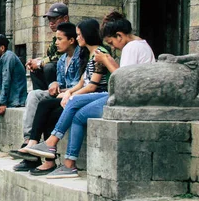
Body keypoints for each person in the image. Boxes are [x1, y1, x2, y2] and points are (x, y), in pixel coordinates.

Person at [29, 11, 156, 179]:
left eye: (112, 42)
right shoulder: (140, 43)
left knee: (73, 103)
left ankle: (52, 144)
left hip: (128, 99)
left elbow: (123, 81)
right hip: (126, 96)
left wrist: (106, 60)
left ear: (119, 35)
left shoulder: (131, 47)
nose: (112, 47)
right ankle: (68, 163)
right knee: (79, 115)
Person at [25, 18, 115, 177]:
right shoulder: (90, 53)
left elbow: (93, 85)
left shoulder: (100, 53)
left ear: (87, 35)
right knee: (48, 108)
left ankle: (48, 145)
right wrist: (69, 92)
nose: (78, 37)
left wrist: (72, 95)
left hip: (96, 95)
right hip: (87, 94)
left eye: (80, 35)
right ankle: (46, 152)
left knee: (54, 107)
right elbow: (82, 81)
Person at [9, 22, 81, 174]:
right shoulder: (62, 60)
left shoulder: (81, 57)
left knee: (47, 107)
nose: (56, 43)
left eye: (59, 39)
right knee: (35, 95)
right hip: (62, 94)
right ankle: (28, 142)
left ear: (71, 40)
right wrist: (55, 83)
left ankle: (44, 157)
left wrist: (64, 91)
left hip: (74, 96)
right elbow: (61, 82)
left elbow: (81, 85)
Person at [26, 2, 69, 90]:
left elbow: (62, 57)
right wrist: (37, 61)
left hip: (69, 72)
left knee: (49, 67)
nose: (51, 23)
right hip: (59, 70)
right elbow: (51, 56)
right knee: (35, 69)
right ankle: (40, 95)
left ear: (65, 18)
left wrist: (40, 63)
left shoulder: (71, 35)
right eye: (49, 19)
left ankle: (54, 93)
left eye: (54, 19)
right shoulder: (55, 39)